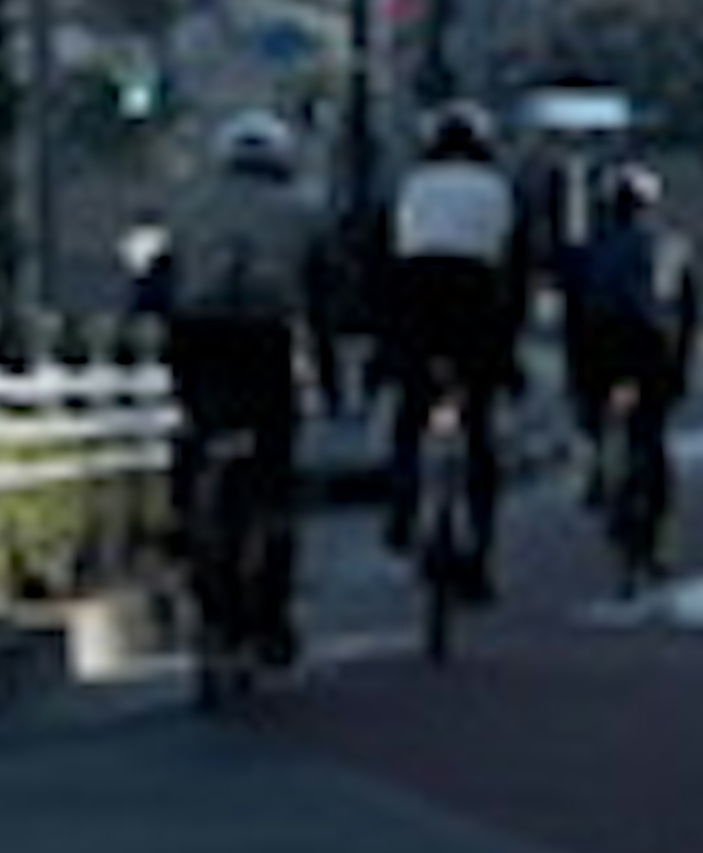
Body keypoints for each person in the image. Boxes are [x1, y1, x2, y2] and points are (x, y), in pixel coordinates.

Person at [132, 110, 333, 666]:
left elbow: (155, 282)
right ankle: (271, 616)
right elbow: (321, 299)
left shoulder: (188, 205)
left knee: (195, 424)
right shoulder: (302, 211)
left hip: (196, 337)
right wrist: (333, 375)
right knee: (274, 472)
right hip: (264, 339)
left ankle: (182, 512)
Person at [379, 103, 528, 590]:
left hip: (415, 295)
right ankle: (480, 544)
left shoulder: (412, 186)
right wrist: (510, 351)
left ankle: (401, 511)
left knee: (410, 412)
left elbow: (383, 256)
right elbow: (517, 270)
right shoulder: (497, 188)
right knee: (479, 424)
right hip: (475, 298)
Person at [560, 156, 702, 560]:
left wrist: (573, 374)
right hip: (648, 346)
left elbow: (573, 314)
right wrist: (681, 369)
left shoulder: (585, 249)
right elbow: (686, 313)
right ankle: (654, 524)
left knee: (593, 412)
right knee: (650, 436)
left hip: (597, 346)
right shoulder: (668, 246)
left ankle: (595, 469)